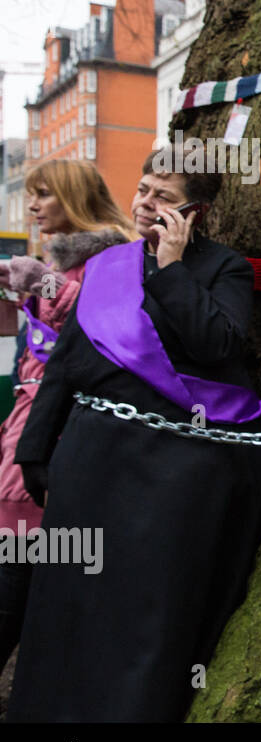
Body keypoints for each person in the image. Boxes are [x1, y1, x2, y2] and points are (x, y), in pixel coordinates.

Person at [5, 149, 261, 722]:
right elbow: (67, 364)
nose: (146, 204)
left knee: (142, 613)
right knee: (68, 604)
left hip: (172, 473)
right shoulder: (109, 265)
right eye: (144, 189)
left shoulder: (225, 268)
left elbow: (218, 344)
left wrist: (174, 269)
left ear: (195, 212)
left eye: (165, 198)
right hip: (91, 458)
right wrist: (35, 452)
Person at [0, 160, 134, 673]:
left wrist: (44, 286)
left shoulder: (111, 255)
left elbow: (108, 328)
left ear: (74, 197)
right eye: (31, 194)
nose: (33, 205)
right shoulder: (57, 258)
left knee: (20, 549)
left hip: (58, 424)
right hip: (30, 416)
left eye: (44, 194)